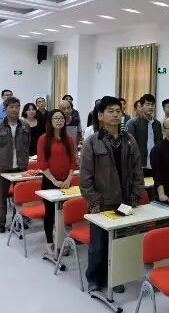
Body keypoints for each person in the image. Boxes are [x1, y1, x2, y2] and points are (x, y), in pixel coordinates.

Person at [80, 96, 144, 294]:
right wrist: (94, 201)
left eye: (118, 111)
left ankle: (114, 276)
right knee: (98, 245)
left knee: (119, 243)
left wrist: (135, 195)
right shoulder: (92, 142)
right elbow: (85, 177)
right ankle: (94, 278)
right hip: (102, 203)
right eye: (110, 111)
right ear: (100, 116)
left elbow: (137, 171)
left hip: (125, 202)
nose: (116, 114)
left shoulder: (129, 140)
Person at [0, 96, 30, 233]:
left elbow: (28, 144)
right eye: (11, 107)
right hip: (3, 167)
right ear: (5, 109)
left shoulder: (25, 125)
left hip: (21, 166)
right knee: (1, 197)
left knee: (20, 196)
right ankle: (0, 223)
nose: (14, 109)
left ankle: (19, 221)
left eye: (17, 107)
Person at [37, 109, 77, 255]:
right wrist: (54, 181)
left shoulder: (69, 139)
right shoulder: (43, 139)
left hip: (66, 182)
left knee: (64, 213)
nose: (59, 121)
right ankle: (50, 242)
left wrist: (68, 179)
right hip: (50, 181)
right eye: (56, 118)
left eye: (61, 118)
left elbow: (73, 161)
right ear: (50, 121)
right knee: (50, 213)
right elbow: (42, 163)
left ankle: (61, 240)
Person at [125, 94, 162, 176]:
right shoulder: (133, 123)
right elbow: (129, 146)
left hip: (155, 165)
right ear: (141, 106)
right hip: (139, 166)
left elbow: (160, 144)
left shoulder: (157, 124)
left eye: (152, 105)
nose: (150, 107)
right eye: (147, 104)